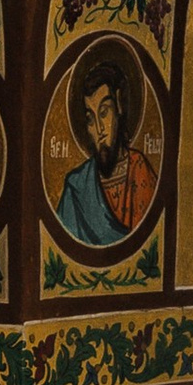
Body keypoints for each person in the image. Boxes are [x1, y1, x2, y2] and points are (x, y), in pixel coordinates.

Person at [54, 45, 158, 247]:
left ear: (119, 105)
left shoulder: (139, 171)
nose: (99, 129)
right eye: (90, 119)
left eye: (103, 112)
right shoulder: (76, 186)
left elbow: (145, 243)